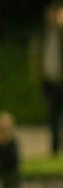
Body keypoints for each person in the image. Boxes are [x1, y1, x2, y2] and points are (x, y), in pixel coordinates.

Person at [32, 3, 63, 154]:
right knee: (53, 115)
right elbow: (36, 56)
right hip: (49, 81)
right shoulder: (43, 35)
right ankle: (55, 147)